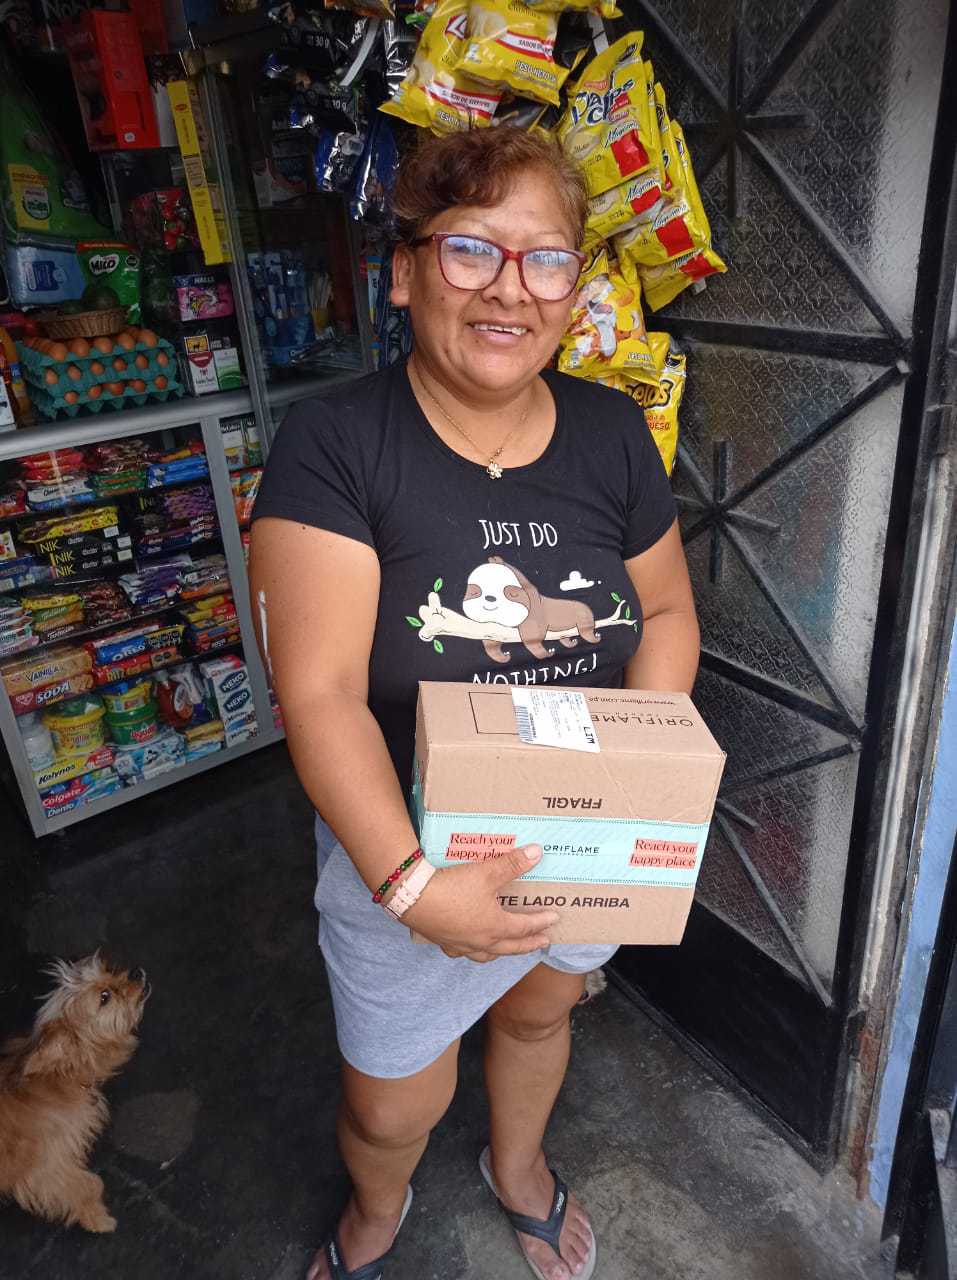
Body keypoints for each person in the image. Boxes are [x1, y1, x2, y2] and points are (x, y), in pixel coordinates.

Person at [249, 126, 700, 1280]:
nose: (510, 288)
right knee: (392, 1103)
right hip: (401, 848)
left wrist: (633, 777)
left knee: (543, 1011)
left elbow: (664, 612)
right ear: (404, 272)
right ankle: (375, 1205)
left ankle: (518, 1162)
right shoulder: (337, 444)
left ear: (573, 288)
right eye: (470, 250)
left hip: (578, 825)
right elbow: (321, 693)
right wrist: (413, 884)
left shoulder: (611, 433)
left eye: (545, 258)